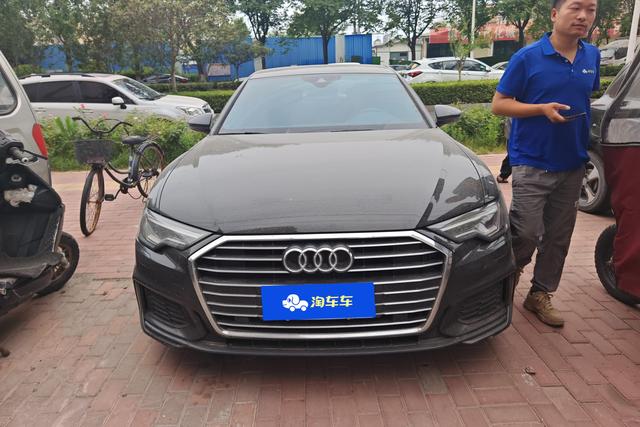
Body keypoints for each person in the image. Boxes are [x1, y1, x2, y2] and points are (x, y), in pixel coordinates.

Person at [491, 0, 600, 327]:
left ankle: (540, 293)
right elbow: (499, 105)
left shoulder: (592, 56)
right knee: (525, 232)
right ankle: (505, 282)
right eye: (575, 8)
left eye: (591, 10)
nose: (583, 16)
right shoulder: (527, 57)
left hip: (573, 162)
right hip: (532, 160)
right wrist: (540, 109)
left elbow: (585, 98)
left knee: (557, 237)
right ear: (554, 14)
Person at [497, 118, 513, 183]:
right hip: (514, 135)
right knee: (512, 155)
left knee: (513, 155)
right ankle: (503, 175)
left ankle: (503, 175)